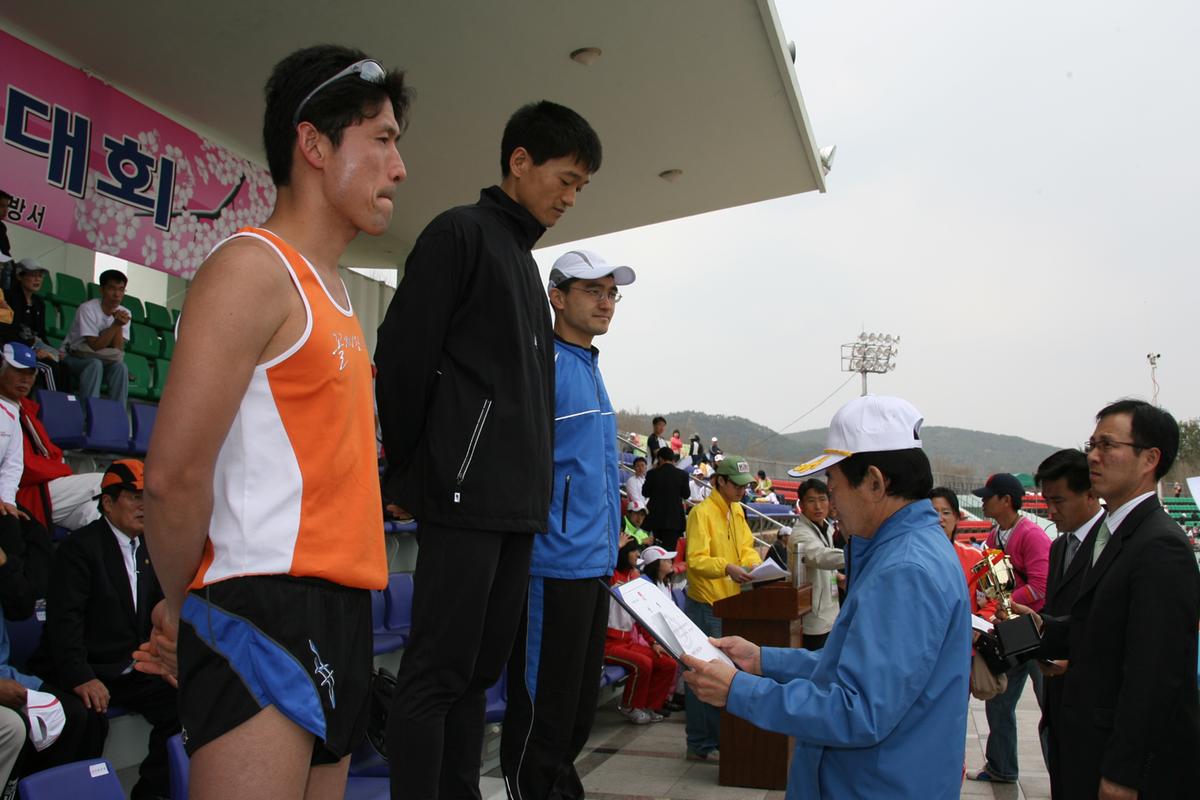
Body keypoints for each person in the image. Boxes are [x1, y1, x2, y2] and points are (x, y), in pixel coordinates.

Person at [141, 45, 409, 799]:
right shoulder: (253, 269)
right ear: (314, 144)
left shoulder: (336, 290)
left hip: (342, 607)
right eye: (382, 140)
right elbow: (170, 479)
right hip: (262, 607)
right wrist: (181, 605)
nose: (399, 167)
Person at [375, 99, 600, 800]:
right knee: (436, 674)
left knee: (476, 675)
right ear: (520, 162)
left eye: (580, 188)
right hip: (464, 499)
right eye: (564, 178)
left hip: (513, 510)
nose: (569, 197)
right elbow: (403, 358)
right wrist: (414, 474)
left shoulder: (524, 267)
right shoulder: (460, 236)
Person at [683, 395, 970, 799]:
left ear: (874, 482)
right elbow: (853, 667)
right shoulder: (906, 551)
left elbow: (858, 709)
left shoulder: (906, 570)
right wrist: (764, 660)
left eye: (833, 488)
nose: (830, 503)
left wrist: (739, 690)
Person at [500, 249, 633, 800]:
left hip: (592, 567)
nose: (606, 302)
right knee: (542, 713)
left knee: (577, 711)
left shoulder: (588, 367)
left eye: (612, 293)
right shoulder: (543, 366)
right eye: (592, 291)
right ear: (556, 296)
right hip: (550, 567)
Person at [1019, 400, 1199, 799]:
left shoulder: (1159, 545)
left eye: (1106, 445)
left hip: (1116, 762)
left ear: (1149, 458)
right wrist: (1012, 634)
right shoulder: (1112, 534)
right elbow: (1093, 626)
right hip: (1081, 741)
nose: (1092, 456)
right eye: (1091, 444)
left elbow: (1156, 673)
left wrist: (1123, 773)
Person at [29, 460, 179, 799]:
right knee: (87, 718)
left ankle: (149, 794)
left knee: (188, 701)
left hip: (129, 666)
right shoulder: (79, 549)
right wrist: (81, 676)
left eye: (147, 497)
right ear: (107, 503)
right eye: (132, 496)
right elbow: (64, 622)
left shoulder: (150, 548)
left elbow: (156, 608)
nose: (143, 505)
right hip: (87, 667)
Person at [1029, 449, 1105, 800]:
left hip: (1093, 705)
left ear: (1091, 494)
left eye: (1058, 500)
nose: (1050, 510)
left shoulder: (1114, 545)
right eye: (1046, 500)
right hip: (1058, 702)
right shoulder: (1060, 546)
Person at [968, 472, 1051, 784]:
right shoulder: (994, 536)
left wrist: (1005, 601)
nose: (983, 502)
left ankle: (1064, 776)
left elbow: (1041, 587)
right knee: (1000, 698)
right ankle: (1001, 766)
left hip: (1036, 625)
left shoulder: (1030, 535)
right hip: (1012, 629)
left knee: (1050, 705)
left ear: (1006, 500)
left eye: (988, 497)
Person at [682, 454, 762, 762]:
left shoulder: (738, 511)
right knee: (703, 672)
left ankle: (714, 740)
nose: (742, 491)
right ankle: (701, 743)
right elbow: (696, 560)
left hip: (731, 602)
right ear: (720, 482)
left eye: (745, 486)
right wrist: (726, 567)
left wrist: (755, 566)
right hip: (706, 604)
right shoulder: (702, 514)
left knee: (722, 672)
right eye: (737, 486)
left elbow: (746, 548)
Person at [0, 342, 103, 531]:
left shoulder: (27, 409)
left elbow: (50, 452)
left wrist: (59, 470)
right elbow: (23, 467)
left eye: (31, 373)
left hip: (51, 489)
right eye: (18, 371)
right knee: (110, 480)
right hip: (28, 492)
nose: (26, 379)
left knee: (98, 518)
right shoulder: (5, 410)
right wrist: (61, 471)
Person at [604, 542, 677, 725]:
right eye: (633, 551)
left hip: (627, 641)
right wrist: (616, 547)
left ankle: (649, 706)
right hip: (607, 643)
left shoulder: (635, 577)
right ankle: (629, 706)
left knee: (668, 662)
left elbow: (642, 617)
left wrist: (653, 642)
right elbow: (603, 562)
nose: (637, 554)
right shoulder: (609, 574)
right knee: (643, 664)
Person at [62, 269, 131, 407]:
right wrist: (116, 324)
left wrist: (118, 324)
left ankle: (116, 417)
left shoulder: (125, 312)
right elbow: (95, 345)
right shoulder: (87, 309)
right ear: (102, 290)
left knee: (121, 368)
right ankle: (87, 416)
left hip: (102, 359)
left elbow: (118, 348)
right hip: (74, 358)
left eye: (121, 290)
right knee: (94, 364)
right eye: (112, 288)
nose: (117, 294)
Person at [789, 478, 844, 650]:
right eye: (811, 501)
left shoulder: (827, 528)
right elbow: (819, 557)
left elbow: (827, 566)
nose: (818, 506)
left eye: (822, 499)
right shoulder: (800, 534)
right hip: (814, 618)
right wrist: (856, 555)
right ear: (802, 505)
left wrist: (838, 576)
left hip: (832, 612)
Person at [928, 487, 997, 619]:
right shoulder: (911, 557)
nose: (939, 518)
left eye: (946, 512)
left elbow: (994, 600)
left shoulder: (976, 557)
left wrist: (980, 621)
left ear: (957, 518)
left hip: (963, 634)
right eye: (933, 512)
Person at [641, 447, 690, 550]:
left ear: (660, 459)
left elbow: (645, 492)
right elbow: (686, 495)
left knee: (655, 551)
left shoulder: (652, 473)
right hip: (674, 519)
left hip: (655, 518)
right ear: (673, 459)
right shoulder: (683, 475)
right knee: (669, 552)